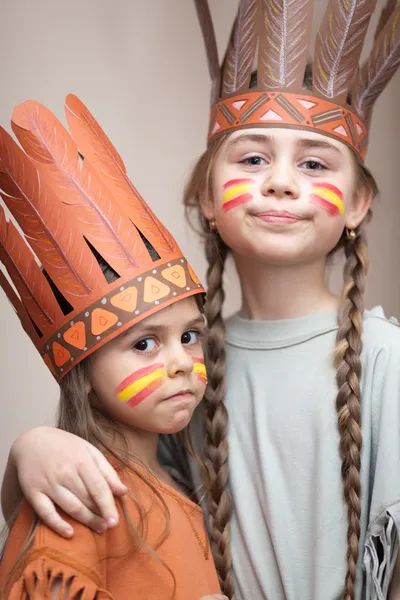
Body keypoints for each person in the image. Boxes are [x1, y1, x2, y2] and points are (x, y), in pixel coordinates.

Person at [2, 1, 400, 599]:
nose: (281, 181)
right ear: (207, 196)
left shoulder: (386, 363)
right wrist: (26, 457)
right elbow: (123, 498)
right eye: (254, 158)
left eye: (314, 163)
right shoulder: (186, 367)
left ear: (359, 204)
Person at [0, 95, 225, 600]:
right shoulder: (81, 498)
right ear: (84, 369)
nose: (178, 364)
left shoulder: (168, 482)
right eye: (144, 344)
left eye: (189, 336)